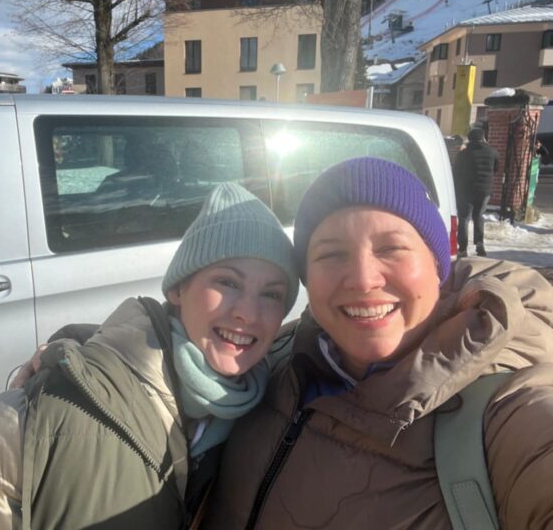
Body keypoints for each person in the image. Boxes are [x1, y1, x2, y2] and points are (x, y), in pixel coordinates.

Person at [203, 157, 553, 529]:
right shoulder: (279, 359)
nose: (363, 279)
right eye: (331, 253)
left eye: (391, 248)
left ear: (437, 266)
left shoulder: (501, 405)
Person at [0, 182, 299, 529]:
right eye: (228, 282)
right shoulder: (40, 418)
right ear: (178, 289)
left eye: (271, 294)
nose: (247, 313)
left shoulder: (272, 403)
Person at [454, 126, 500, 257]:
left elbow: (456, 172)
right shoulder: (493, 152)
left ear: (470, 139)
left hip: (466, 190)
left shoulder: (463, 154)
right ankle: (480, 244)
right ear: (483, 138)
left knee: (464, 218)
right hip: (484, 190)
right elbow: (496, 169)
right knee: (479, 215)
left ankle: (463, 249)